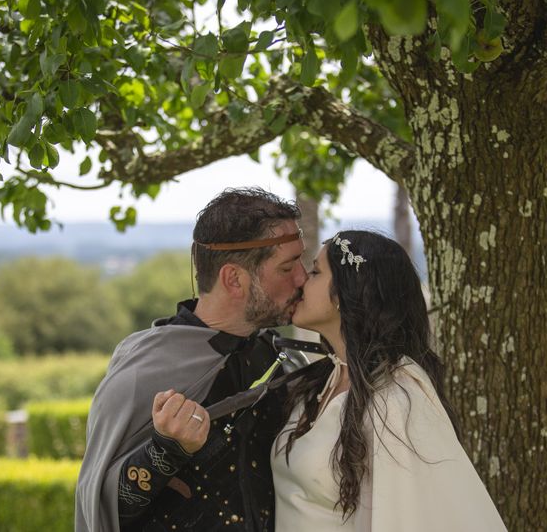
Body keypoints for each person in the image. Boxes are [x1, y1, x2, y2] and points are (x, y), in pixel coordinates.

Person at [76, 188, 309, 532]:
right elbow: (104, 510)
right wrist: (166, 450)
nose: (302, 278)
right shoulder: (143, 372)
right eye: (287, 267)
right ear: (234, 279)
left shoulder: (283, 357)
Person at [271, 230, 507, 531]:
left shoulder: (396, 397)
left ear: (349, 292)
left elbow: (404, 517)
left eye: (316, 271)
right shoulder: (322, 383)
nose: (302, 280)